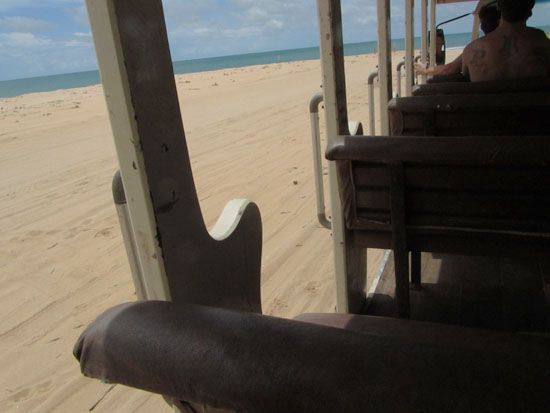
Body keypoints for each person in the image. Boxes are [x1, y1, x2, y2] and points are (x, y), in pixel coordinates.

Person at [462, 0, 550, 81]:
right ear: (530, 12)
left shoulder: (472, 50)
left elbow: (464, 78)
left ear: (499, 8)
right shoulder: (543, 43)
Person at [415, 3, 501, 77]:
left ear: (482, 26)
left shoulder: (473, 49)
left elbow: (448, 69)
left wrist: (426, 70)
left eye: (481, 23)